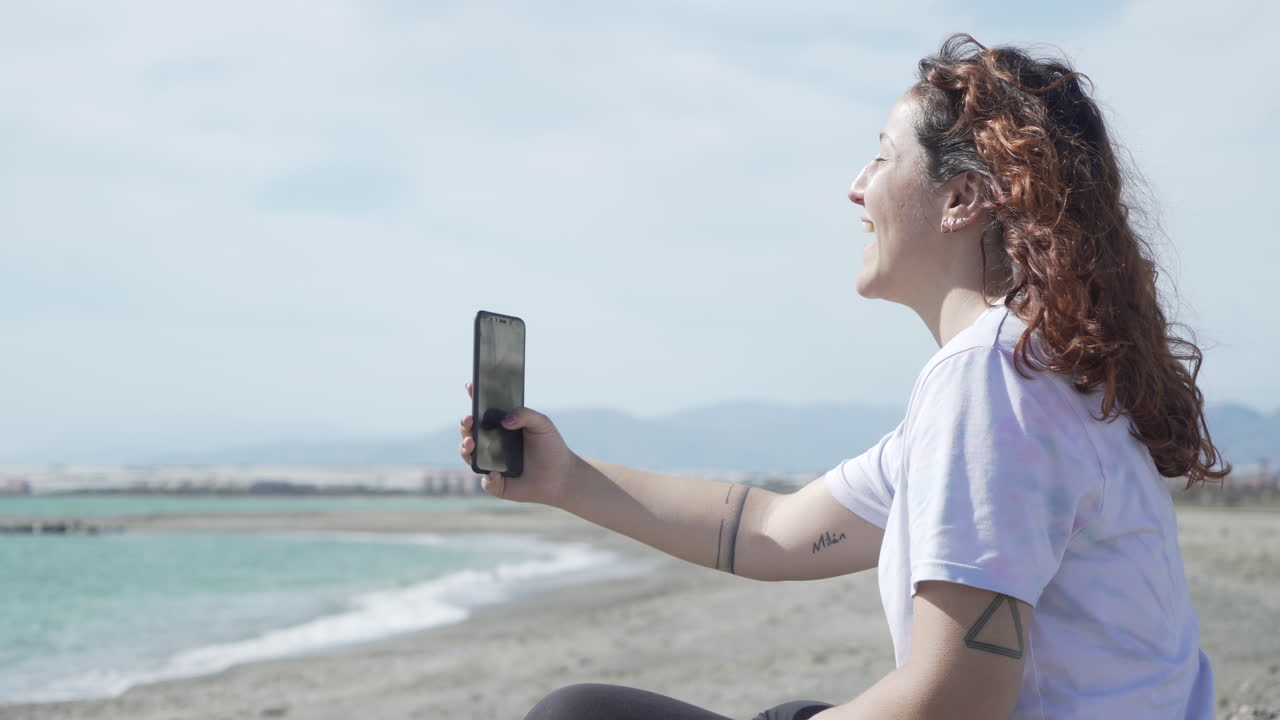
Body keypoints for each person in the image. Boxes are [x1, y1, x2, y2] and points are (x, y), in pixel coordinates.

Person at [457, 33, 1228, 720]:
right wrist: (564, 478)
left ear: (960, 199)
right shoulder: (1033, 371)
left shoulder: (991, 379)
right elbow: (771, 533)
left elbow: (958, 699)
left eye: (884, 159)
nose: (856, 188)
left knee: (576, 715)